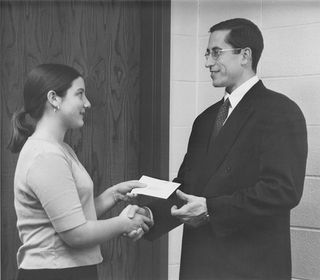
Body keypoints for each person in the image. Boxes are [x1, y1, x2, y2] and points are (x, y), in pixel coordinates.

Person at [141, 18, 308, 280]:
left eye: (216, 52)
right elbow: (187, 187)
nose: (207, 62)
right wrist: (150, 214)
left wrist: (211, 210)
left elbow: (283, 190)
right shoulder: (206, 119)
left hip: (251, 267)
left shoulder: (281, 112)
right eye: (207, 53)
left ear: (245, 55)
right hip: (200, 264)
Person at [8, 63, 152, 280]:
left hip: (67, 271)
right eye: (80, 94)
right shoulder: (46, 155)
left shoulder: (59, 149)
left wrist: (113, 195)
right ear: (54, 98)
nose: (88, 103)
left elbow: (71, 217)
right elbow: (75, 234)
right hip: (53, 273)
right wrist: (125, 223)